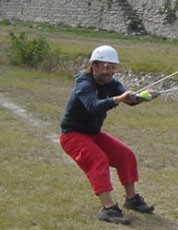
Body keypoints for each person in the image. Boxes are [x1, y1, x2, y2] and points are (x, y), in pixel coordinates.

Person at [59, 45, 155, 225]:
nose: (109, 72)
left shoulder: (111, 83)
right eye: (105, 68)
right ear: (94, 66)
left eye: (112, 68)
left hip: (93, 134)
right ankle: (108, 209)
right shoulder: (84, 83)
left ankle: (132, 199)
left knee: (125, 155)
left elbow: (130, 100)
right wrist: (117, 99)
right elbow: (93, 105)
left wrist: (146, 96)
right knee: (98, 160)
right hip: (72, 135)